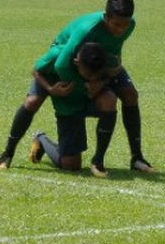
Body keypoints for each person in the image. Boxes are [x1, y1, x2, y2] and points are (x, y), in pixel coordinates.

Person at [0, 0, 154, 173]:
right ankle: (8, 152)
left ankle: (136, 157)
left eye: (124, 25)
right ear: (106, 17)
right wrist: (80, 86)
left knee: (130, 93)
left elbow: (115, 51)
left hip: (99, 64)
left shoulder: (129, 26)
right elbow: (61, 65)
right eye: (116, 24)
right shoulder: (86, 31)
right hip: (65, 64)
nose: (120, 29)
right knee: (32, 101)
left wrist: (104, 79)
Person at [25, 41, 117, 177]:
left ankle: (98, 159)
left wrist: (101, 83)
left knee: (108, 100)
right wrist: (51, 89)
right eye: (88, 75)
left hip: (90, 102)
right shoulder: (59, 57)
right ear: (76, 62)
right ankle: (41, 139)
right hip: (70, 107)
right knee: (71, 166)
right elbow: (35, 70)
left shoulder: (103, 58)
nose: (91, 78)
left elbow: (116, 70)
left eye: (94, 75)